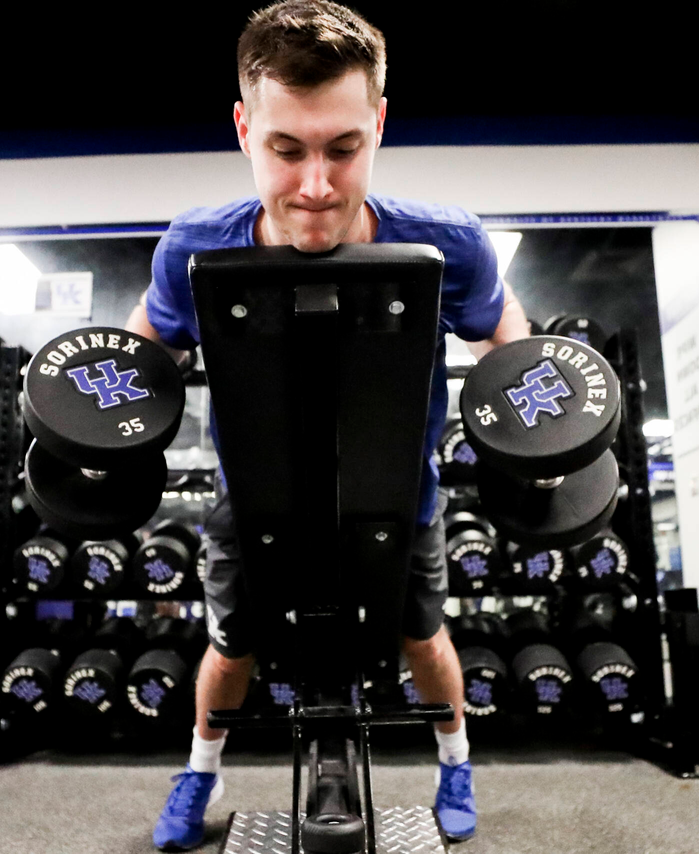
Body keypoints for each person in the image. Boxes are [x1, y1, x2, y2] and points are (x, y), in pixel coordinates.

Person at [125, 1, 530, 848]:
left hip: (403, 495)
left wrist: (532, 429)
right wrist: (106, 430)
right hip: (252, 497)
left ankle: (455, 762)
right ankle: (199, 773)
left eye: (343, 149)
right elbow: (142, 352)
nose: (315, 185)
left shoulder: (449, 243)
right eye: (286, 150)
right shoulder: (193, 247)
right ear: (245, 129)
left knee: (422, 636)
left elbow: (507, 337)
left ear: (378, 125)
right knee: (232, 647)